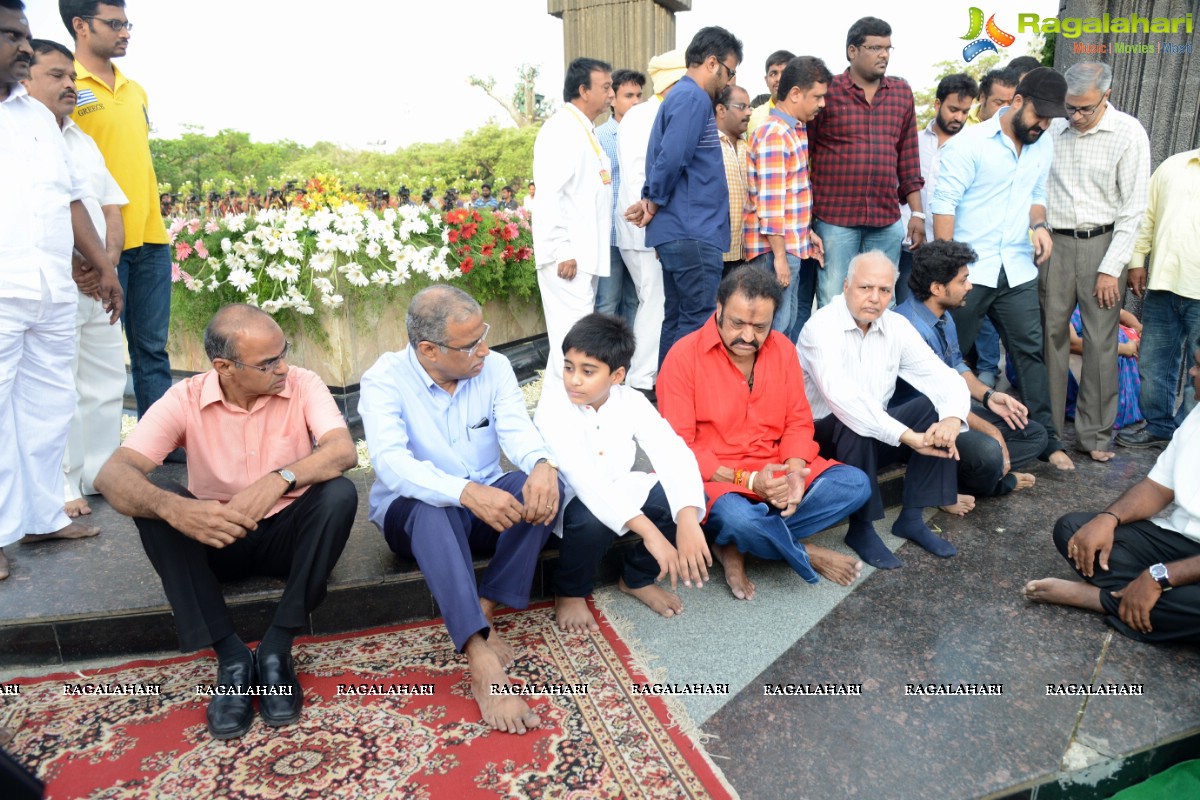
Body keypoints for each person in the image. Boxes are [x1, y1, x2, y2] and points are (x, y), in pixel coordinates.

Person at [94, 305, 358, 738]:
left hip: (286, 538)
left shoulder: (303, 384)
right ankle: (231, 657)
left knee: (338, 493)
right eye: (268, 362)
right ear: (224, 368)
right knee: (156, 507)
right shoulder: (186, 398)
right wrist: (174, 508)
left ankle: (277, 646)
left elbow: (342, 451)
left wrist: (280, 478)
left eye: (283, 353)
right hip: (216, 538)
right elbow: (112, 474)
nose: (283, 368)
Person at [358, 285, 562, 735]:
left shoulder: (495, 367)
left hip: (486, 504)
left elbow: (516, 430)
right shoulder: (384, 380)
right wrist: (465, 492)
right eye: (471, 344)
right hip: (412, 517)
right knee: (432, 509)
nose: (485, 350)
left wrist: (543, 464)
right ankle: (477, 651)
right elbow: (393, 466)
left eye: (483, 335)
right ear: (428, 350)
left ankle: (486, 605)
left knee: (546, 488)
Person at [1, 0, 122, 581]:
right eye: (12, 36)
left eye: (25, 37)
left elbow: (72, 199)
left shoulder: (35, 118)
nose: (24, 47)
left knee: (48, 410)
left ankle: (43, 515)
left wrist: (104, 267)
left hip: (50, 290)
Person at [659, 267, 871, 599]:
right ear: (719, 309)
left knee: (855, 485)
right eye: (737, 323)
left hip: (777, 470)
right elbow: (678, 448)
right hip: (719, 480)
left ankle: (739, 545)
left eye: (760, 327)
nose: (747, 336)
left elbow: (798, 422)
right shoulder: (683, 357)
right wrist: (748, 480)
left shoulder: (783, 350)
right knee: (737, 518)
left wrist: (796, 471)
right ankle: (802, 552)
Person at [931, 67, 1074, 471]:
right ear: (1016, 102)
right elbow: (944, 205)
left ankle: (1047, 440)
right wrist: (948, 272)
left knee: (1031, 353)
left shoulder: (1041, 143)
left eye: (1050, 119)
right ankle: (936, 436)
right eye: (1038, 116)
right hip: (969, 273)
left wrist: (1039, 224)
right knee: (947, 355)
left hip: (1016, 268)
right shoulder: (970, 144)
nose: (1043, 125)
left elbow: (1036, 194)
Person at [534, 313, 708, 631]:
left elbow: (673, 451)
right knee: (592, 520)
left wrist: (686, 517)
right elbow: (583, 478)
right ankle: (570, 591)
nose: (573, 379)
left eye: (588, 372)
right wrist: (651, 533)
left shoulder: (631, 400)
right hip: (573, 498)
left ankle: (637, 578)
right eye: (569, 367)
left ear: (617, 375)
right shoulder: (554, 404)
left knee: (681, 498)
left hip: (623, 486)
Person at [799, 251, 968, 569]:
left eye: (884, 290)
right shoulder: (819, 328)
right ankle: (861, 528)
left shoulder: (896, 326)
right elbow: (845, 399)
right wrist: (908, 436)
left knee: (934, 405)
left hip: (873, 437)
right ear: (846, 286)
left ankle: (913, 516)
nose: (875, 298)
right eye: (865, 288)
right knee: (854, 417)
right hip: (821, 440)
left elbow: (944, 377)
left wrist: (951, 419)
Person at [1024, 349, 1200, 644]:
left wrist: (1159, 576)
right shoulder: (1196, 413)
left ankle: (1101, 599)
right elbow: (1158, 487)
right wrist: (1108, 518)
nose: (1192, 373)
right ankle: (1146, 600)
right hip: (1181, 540)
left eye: (1198, 366)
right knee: (1075, 532)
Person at [24, 38, 127, 524]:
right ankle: (61, 482)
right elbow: (34, 215)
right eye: (56, 75)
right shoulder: (22, 135)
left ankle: (102, 471)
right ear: (25, 79)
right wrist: (79, 267)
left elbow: (110, 207)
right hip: (55, 283)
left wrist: (106, 265)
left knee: (106, 381)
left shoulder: (81, 141)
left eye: (71, 76)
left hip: (98, 280)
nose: (70, 84)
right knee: (57, 387)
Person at [62, 0, 172, 420]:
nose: (125, 32)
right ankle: (91, 458)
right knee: (95, 353)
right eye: (114, 24)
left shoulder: (135, 88)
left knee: (151, 349)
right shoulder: (64, 80)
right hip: (97, 246)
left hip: (151, 238)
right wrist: (82, 251)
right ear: (80, 25)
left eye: (128, 24)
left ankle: (160, 441)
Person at [1043, 62, 1150, 463]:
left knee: (1102, 340)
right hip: (1054, 242)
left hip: (1103, 242)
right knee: (1050, 336)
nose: (1075, 116)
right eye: (1069, 107)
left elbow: (1133, 208)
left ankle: (1094, 435)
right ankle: (1049, 434)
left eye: (1084, 109)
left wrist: (1111, 267)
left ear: (1106, 96)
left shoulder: (1128, 132)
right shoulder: (1054, 125)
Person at [897, 240, 1048, 508]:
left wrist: (989, 396)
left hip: (951, 413)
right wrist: (993, 433)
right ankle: (986, 481)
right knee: (990, 451)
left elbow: (957, 367)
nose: (969, 286)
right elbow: (936, 402)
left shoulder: (942, 314)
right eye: (963, 280)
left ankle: (968, 473)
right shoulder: (910, 328)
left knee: (1034, 432)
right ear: (936, 288)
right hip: (924, 426)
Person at [627, 26, 743, 365]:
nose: (729, 82)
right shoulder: (693, 97)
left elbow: (670, 157)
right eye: (730, 72)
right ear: (711, 63)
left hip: (682, 229)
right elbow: (673, 156)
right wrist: (653, 200)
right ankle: (683, 406)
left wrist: (653, 200)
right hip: (693, 231)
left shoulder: (681, 97)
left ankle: (668, 402)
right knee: (698, 322)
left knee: (678, 319)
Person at [807, 16, 925, 308]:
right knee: (835, 298)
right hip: (835, 218)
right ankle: (834, 356)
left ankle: (878, 355)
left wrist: (918, 214)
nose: (883, 54)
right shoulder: (828, 92)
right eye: (874, 47)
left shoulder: (901, 93)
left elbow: (908, 158)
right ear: (852, 51)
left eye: (888, 48)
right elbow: (804, 155)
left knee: (883, 299)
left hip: (886, 219)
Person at [532, 57, 614, 380]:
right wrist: (562, 249)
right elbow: (549, 194)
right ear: (583, 90)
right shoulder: (561, 129)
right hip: (567, 258)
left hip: (583, 258)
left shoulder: (584, 129)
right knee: (573, 345)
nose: (611, 94)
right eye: (605, 87)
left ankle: (561, 418)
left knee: (570, 346)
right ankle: (565, 420)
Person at [1115, 146, 1200, 449]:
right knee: (1153, 363)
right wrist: (1137, 260)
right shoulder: (1174, 166)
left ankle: (1188, 439)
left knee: (1197, 370)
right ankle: (1159, 427)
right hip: (1164, 285)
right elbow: (1146, 217)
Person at [743, 56, 831, 340]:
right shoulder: (774, 133)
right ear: (795, 93)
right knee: (771, 329)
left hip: (789, 246)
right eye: (817, 96)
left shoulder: (795, 129)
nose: (822, 104)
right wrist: (780, 257)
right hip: (773, 252)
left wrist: (807, 234)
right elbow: (770, 205)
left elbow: (791, 194)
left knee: (786, 326)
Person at [615, 49, 686, 398]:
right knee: (654, 301)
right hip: (644, 225)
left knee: (655, 301)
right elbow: (638, 177)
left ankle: (646, 376)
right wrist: (654, 229)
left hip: (648, 224)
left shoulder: (650, 112)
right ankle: (641, 380)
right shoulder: (648, 115)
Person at [895, 73, 978, 305]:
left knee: (942, 312)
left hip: (948, 248)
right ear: (937, 104)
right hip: (908, 244)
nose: (959, 117)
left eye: (964, 112)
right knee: (905, 307)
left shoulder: (971, 148)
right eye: (953, 109)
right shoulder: (914, 141)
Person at [594, 67, 645, 326]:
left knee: (635, 299)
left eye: (638, 95)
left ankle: (632, 361)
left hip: (637, 232)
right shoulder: (600, 136)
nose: (636, 101)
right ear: (612, 99)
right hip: (611, 235)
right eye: (628, 95)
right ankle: (601, 359)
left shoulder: (646, 133)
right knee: (607, 301)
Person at [715, 83, 751, 272]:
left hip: (745, 254)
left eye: (749, 107)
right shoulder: (708, 146)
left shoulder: (749, 148)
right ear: (721, 110)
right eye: (741, 107)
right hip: (716, 253)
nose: (748, 113)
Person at [746, 49, 795, 135]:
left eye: (784, 73)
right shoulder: (753, 117)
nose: (778, 79)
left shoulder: (805, 115)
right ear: (766, 80)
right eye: (773, 74)